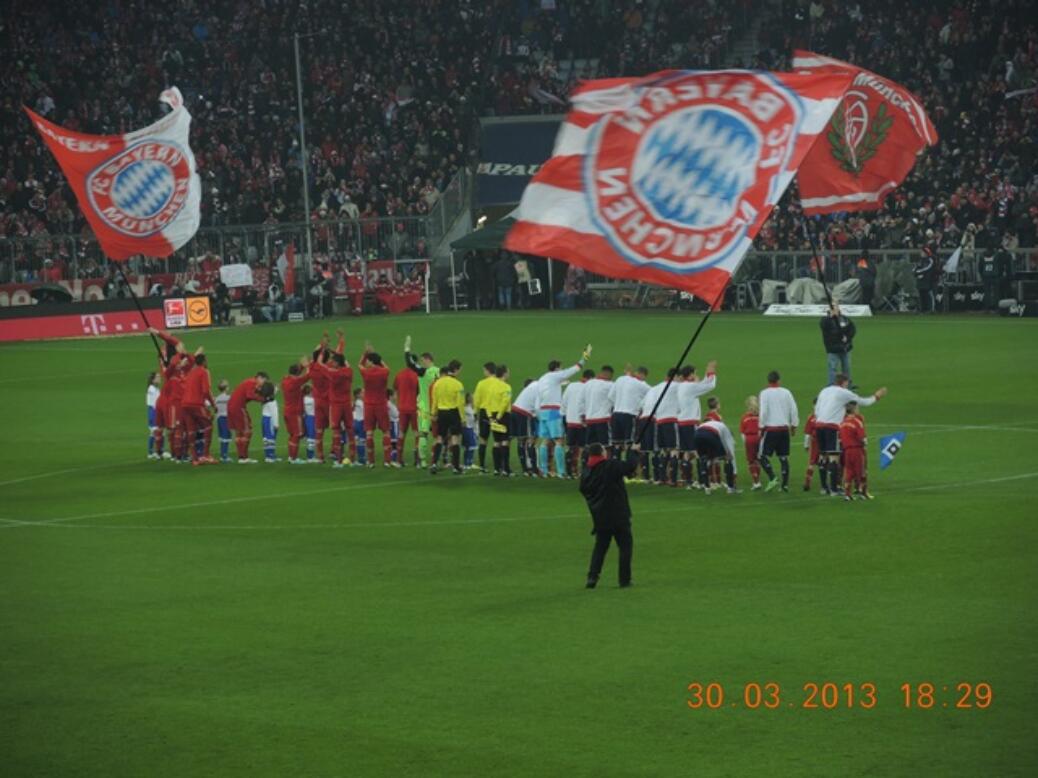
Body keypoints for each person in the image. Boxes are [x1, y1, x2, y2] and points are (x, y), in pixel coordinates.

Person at [813, 373, 887, 496]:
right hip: (832, 427)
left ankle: (823, 487)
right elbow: (864, 402)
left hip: (819, 425)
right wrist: (877, 396)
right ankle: (834, 490)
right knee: (833, 458)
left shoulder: (824, 390)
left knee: (822, 456)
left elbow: (817, 410)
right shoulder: (844, 393)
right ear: (844, 383)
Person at [580, 443, 640, 589]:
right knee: (625, 546)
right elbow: (629, 466)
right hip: (618, 514)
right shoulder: (610, 466)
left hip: (600, 517)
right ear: (601, 453)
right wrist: (633, 452)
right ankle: (624, 579)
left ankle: (592, 576)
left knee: (600, 547)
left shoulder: (587, 473)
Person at [536, 346, 592, 478]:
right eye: (561, 368)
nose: (562, 370)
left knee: (545, 441)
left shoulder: (543, 378)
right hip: (553, 411)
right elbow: (575, 368)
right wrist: (584, 357)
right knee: (559, 441)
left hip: (542, 411)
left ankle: (544, 471)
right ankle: (561, 472)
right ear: (557, 368)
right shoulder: (556, 375)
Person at [757, 370, 799, 492]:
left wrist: (761, 426)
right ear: (778, 380)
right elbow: (794, 409)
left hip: (771, 429)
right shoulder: (786, 392)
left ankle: (773, 477)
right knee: (783, 457)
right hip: (784, 430)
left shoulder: (765, 393)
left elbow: (763, 411)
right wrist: (794, 425)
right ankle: (784, 485)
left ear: (768, 381)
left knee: (761, 456)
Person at [677, 362, 717, 488]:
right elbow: (710, 385)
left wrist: (704, 377)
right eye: (694, 373)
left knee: (687, 453)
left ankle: (688, 482)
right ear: (689, 375)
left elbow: (700, 386)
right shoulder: (689, 387)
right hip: (690, 423)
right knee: (698, 451)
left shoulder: (682, 386)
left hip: (682, 423)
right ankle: (702, 481)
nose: (695, 375)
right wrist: (711, 372)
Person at [404, 336, 439, 467]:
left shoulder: (423, 372)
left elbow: (410, 364)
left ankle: (423, 461)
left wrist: (407, 349)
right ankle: (436, 460)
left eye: (423, 360)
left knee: (423, 434)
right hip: (437, 407)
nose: (422, 362)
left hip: (425, 407)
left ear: (427, 359)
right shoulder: (439, 371)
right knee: (438, 435)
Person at [359, 345, 394, 467]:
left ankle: (371, 461)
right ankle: (387, 461)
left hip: (369, 405)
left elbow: (360, 365)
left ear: (371, 361)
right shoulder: (384, 372)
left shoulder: (366, 372)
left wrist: (364, 354)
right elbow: (387, 367)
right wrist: (377, 357)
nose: (367, 362)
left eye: (369, 360)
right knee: (386, 432)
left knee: (369, 433)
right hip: (381, 404)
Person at [181, 349, 217, 465]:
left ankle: (195, 458)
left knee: (191, 430)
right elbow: (206, 391)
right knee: (208, 425)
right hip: (196, 403)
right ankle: (206, 455)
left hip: (185, 404)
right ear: (204, 361)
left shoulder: (191, 372)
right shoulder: (204, 371)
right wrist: (213, 405)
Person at [430, 359, 465, 475]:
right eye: (459, 370)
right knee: (455, 439)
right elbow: (460, 403)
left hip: (441, 412)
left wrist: (433, 413)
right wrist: (463, 418)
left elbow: (435, 400)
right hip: (453, 412)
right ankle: (456, 467)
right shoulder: (458, 384)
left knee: (440, 437)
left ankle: (434, 463)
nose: (460, 372)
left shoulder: (438, 383)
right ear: (455, 370)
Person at [228, 372, 269, 463]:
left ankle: (241, 457)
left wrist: (259, 392)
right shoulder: (252, 382)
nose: (263, 384)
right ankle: (244, 457)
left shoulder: (249, 382)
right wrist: (263, 399)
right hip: (238, 407)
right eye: (264, 381)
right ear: (259, 378)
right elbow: (250, 395)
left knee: (239, 432)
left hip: (232, 406)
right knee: (247, 431)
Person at [608, 365, 649, 456]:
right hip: (629, 415)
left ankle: (616, 467)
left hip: (616, 414)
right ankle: (629, 468)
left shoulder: (619, 379)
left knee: (617, 444)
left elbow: (610, 396)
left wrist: (618, 403)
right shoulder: (640, 384)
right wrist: (640, 407)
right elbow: (652, 394)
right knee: (629, 444)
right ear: (642, 375)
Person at [561, 369, 594, 477]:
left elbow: (564, 402)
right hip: (583, 422)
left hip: (570, 421)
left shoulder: (571, 386)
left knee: (570, 447)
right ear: (590, 378)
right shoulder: (589, 388)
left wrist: (566, 416)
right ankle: (583, 471)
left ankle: (569, 472)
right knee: (584, 447)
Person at [692, 419, 739, 494]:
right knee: (727, 459)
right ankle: (731, 487)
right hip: (711, 435)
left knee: (703, 459)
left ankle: (707, 487)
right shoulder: (725, 428)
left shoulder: (707, 424)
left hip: (697, 435)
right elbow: (728, 445)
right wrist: (728, 454)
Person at [652, 368, 682, 486]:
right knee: (674, 449)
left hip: (659, 421)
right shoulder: (675, 386)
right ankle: (673, 480)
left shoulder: (658, 387)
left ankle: (661, 478)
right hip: (671, 420)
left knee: (664, 450)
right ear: (675, 376)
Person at [838, 401, 872, 500]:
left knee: (849, 471)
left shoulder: (843, 423)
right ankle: (863, 493)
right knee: (861, 471)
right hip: (857, 450)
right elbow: (863, 438)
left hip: (846, 451)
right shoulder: (857, 422)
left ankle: (847, 495)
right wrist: (865, 444)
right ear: (854, 409)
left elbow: (840, 438)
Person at [281, 358, 311, 464]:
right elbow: (308, 375)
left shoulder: (285, 380)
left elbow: (297, 374)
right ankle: (293, 458)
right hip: (295, 412)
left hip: (287, 411)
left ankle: (291, 457)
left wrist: (301, 366)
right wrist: (307, 366)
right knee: (297, 435)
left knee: (292, 434)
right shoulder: (295, 381)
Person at [486, 364, 514, 476]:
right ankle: (506, 469)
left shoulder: (491, 386)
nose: (509, 374)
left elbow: (487, 402)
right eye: (508, 372)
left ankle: (497, 469)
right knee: (505, 441)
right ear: (504, 373)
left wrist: (490, 417)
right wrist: (498, 417)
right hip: (503, 416)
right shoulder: (506, 387)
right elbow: (505, 403)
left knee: (496, 442)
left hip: (492, 414)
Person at [820, 303, 856, 385]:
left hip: (845, 348)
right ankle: (831, 385)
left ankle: (848, 385)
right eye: (832, 306)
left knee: (846, 368)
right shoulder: (825, 320)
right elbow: (823, 326)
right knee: (832, 368)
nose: (834, 307)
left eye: (835, 305)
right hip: (833, 349)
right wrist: (830, 317)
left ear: (838, 307)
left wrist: (847, 337)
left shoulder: (844, 319)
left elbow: (852, 329)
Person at [472, 362, 497, 473]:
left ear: (487, 370)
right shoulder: (499, 382)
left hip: (484, 412)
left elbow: (476, 400)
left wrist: (475, 412)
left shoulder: (481, 383)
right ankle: (498, 467)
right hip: (496, 412)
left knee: (483, 439)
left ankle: (482, 465)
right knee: (498, 440)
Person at [511, 378, 540, 475]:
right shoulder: (540, 388)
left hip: (515, 410)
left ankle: (525, 469)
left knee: (521, 440)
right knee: (530, 440)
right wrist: (539, 418)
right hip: (524, 413)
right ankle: (534, 469)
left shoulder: (533, 385)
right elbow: (536, 408)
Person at [582, 365, 615, 452]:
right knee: (606, 447)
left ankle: (590, 465)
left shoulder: (588, 384)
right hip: (603, 420)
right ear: (609, 374)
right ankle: (606, 465)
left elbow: (582, 401)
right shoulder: (610, 385)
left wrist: (583, 416)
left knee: (591, 447)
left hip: (590, 420)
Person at [393, 361, 419, 467]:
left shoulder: (399, 374)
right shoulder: (417, 375)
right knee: (417, 434)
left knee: (401, 433)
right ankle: (417, 461)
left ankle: (399, 460)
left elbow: (395, 388)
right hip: (414, 408)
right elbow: (419, 391)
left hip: (402, 408)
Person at [740, 396, 762, 490]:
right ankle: (758, 480)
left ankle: (756, 482)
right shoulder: (761, 416)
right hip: (759, 438)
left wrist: (745, 443)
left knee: (751, 461)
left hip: (750, 439)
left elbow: (742, 432)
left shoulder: (744, 417)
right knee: (758, 460)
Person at [260, 383, 280, 462]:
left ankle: (268, 455)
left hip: (264, 420)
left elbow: (271, 393)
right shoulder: (272, 403)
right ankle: (270, 456)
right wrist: (276, 424)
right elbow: (274, 414)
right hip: (270, 421)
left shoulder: (265, 399)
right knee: (271, 438)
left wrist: (275, 389)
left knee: (266, 438)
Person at [802, 404, 819, 491]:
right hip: (823, 442)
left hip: (815, 442)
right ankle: (830, 485)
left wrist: (806, 445)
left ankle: (807, 482)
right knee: (825, 463)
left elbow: (807, 433)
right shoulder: (826, 416)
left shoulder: (811, 418)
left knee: (812, 463)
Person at [215, 380, 232, 462]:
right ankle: (224, 456)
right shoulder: (229, 398)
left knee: (222, 437)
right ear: (226, 388)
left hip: (219, 419)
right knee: (226, 436)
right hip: (226, 419)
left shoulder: (217, 399)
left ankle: (223, 454)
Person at [146, 372, 161, 459]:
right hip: (153, 412)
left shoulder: (155, 389)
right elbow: (156, 403)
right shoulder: (152, 389)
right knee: (155, 432)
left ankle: (154, 452)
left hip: (155, 411)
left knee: (156, 433)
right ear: (153, 379)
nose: (159, 378)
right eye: (157, 377)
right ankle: (153, 452)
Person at [463, 393, 478, 468]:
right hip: (469, 428)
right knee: (471, 446)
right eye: (472, 398)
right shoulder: (467, 409)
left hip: (469, 428)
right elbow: (473, 419)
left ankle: (467, 463)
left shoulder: (468, 408)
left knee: (468, 446)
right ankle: (469, 463)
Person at [302, 385, 317, 462]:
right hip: (311, 418)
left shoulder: (303, 399)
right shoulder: (312, 400)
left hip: (306, 418)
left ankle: (309, 456)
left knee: (309, 438)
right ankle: (310, 457)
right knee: (311, 438)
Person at [352, 389, 367, 465]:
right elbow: (366, 411)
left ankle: (359, 458)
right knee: (362, 441)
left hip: (355, 422)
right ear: (358, 395)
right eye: (362, 393)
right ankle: (361, 459)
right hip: (361, 422)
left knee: (358, 441)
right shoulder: (361, 403)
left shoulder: (355, 402)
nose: (364, 394)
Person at [387, 390, 401, 464]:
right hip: (394, 424)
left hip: (392, 423)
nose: (396, 396)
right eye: (395, 395)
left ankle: (392, 459)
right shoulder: (390, 405)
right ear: (390, 396)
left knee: (393, 442)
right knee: (394, 442)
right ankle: (393, 460)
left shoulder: (390, 404)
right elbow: (396, 415)